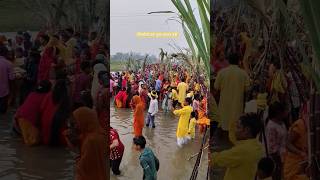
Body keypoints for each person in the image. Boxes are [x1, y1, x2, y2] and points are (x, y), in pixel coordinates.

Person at [210, 113, 263, 180]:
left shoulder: (242, 150)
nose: (235, 130)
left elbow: (219, 158)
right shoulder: (256, 145)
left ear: (246, 130)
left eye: (238, 127)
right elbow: (233, 137)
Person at [214, 53, 250, 144]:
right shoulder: (243, 73)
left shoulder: (222, 72)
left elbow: (216, 87)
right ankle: (232, 144)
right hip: (237, 104)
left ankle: (224, 145)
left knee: (223, 123)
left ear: (228, 61)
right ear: (239, 61)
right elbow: (248, 89)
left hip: (224, 104)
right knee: (235, 124)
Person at [67, 107, 108, 180]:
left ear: (85, 121)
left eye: (77, 122)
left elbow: (84, 167)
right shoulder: (101, 133)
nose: (76, 126)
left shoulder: (91, 140)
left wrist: (77, 160)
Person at [14, 80, 52, 146]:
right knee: (32, 144)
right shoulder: (46, 97)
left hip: (17, 119)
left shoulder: (32, 94)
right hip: (27, 121)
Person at [40, 79, 70, 146]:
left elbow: (42, 108)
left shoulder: (49, 95)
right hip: (61, 137)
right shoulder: (66, 98)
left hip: (46, 127)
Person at [283, 109, 308, 180]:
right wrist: (300, 153)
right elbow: (287, 143)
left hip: (303, 165)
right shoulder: (300, 124)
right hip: (293, 165)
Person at [265, 102, 288, 180]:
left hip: (283, 154)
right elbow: (272, 147)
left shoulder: (281, 122)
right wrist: (278, 160)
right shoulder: (271, 127)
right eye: (284, 111)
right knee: (277, 175)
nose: (286, 112)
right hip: (277, 157)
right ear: (278, 113)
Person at [0, 45, 14, 114]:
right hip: (4, 91)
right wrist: (11, 92)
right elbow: (11, 79)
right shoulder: (9, 64)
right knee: (3, 111)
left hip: (3, 91)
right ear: (6, 53)